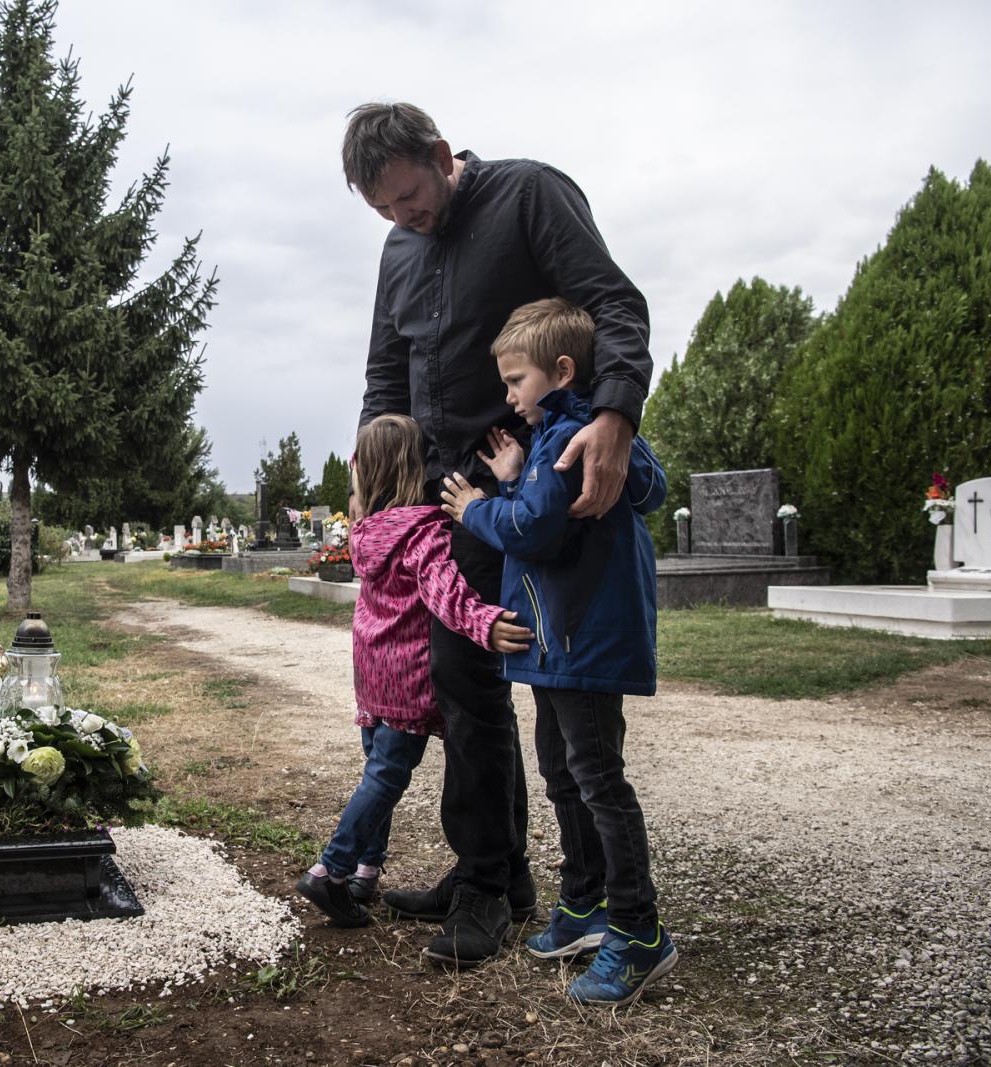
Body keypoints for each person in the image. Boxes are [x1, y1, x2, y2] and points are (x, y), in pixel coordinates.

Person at [344, 101, 654, 968]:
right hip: (441, 498)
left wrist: (616, 414)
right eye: (385, 212)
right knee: (461, 681)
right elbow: (385, 372)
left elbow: (612, 305)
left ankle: (526, 885)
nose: (404, 219)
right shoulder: (398, 250)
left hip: (525, 484)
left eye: (410, 197)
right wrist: (377, 483)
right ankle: (495, 874)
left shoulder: (527, 197)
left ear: (442, 156)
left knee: (525, 686)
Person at [441, 297, 674, 1005]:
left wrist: (476, 507)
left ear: (562, 370)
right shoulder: (565, 437)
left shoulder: (573, 433)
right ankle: (584, 904)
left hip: (579, 639)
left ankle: (638, 932)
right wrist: (516, 473)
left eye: (516, 381)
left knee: (597, 777)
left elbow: (536, 528)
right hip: (560, 641)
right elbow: (559, 502)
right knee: (563, 771)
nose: (509, 396)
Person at [295, 414, 534, 928]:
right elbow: (446, 592)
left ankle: (365, 869)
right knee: (387, 775)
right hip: (407, 674)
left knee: (375, 771)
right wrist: (485, 622)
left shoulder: (364, 532)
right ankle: (330, 870)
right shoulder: (423, 532)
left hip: (371, 670)